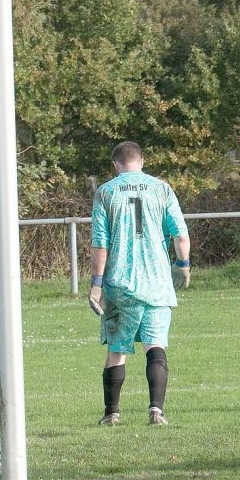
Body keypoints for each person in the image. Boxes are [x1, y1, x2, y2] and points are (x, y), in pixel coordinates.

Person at [88, 141, 190, 427]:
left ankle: (112, 413)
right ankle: (156, 410)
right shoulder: (162, 188)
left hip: (120, 283)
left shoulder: (106, 192)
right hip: (157, 283)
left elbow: (100, 243)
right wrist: (183, 266)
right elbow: (180, 236)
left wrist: (96, 283)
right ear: (141, 162)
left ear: (115, 165)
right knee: (154, 345)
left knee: (117, 350)